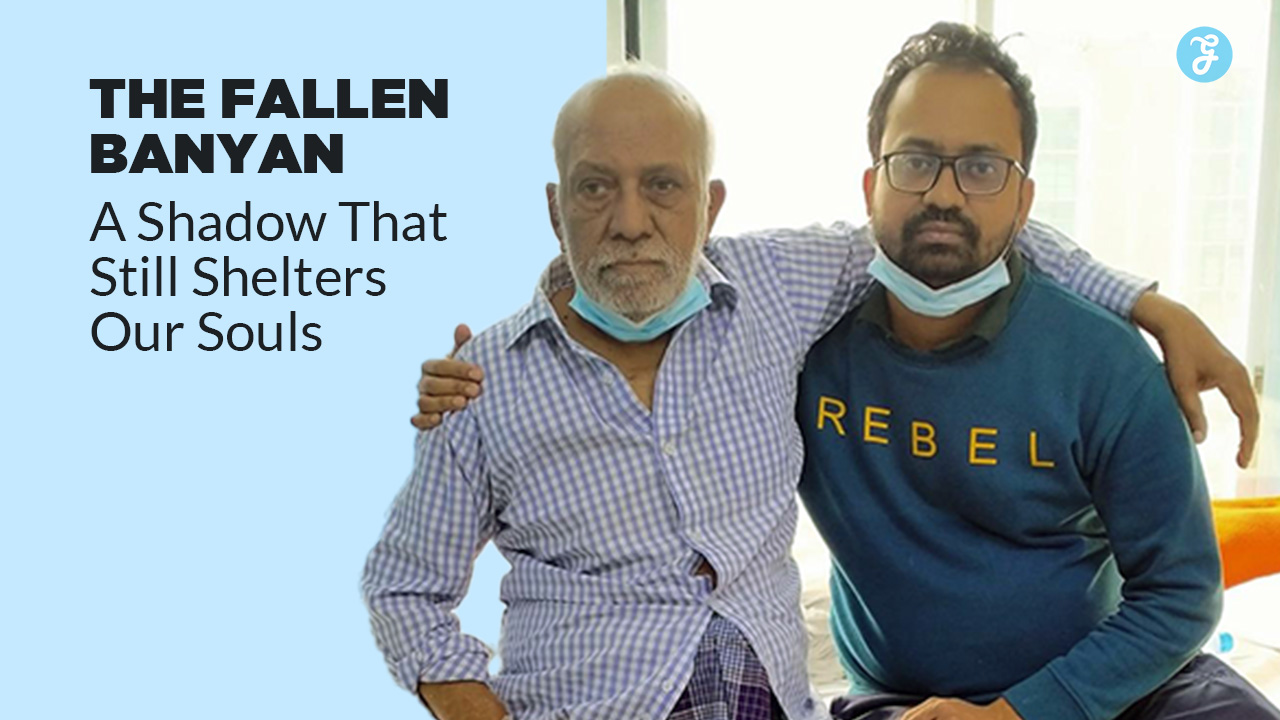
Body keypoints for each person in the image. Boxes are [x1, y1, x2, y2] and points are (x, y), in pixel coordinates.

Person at [380, 62, 1255, 720]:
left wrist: (1151, 304)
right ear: (555, 207)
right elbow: (405, 587)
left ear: (710, 205)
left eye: (664, 186)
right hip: (809, 701)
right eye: (595, 187)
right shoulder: (488, 383)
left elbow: (951, 231)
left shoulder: (780, 298)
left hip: (1093, 690)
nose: (631, 220)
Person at [793, 23, 1279, 720]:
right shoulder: (802, 347)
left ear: (1024, 201)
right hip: (904, 700)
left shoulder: (1106, 364)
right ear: (872, 185)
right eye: (916, 161)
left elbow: (1181, 593)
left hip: (1112, 688)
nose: (945, 195)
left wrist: (1018, 714)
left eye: (982, 168)